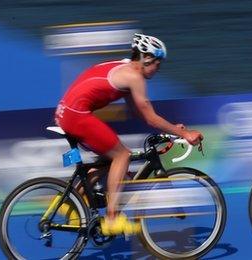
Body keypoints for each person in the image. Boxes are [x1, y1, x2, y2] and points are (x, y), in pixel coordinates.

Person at [54, 33, 203, 235]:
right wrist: (184, 133)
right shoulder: (134, 77)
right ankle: (112, 218)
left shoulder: (124, 68)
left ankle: (70, 201)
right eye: (157, 64)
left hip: (67, 112)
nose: (158, 69)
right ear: (146, 59)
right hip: (76, 115)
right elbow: (150, 117)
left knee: (109, 158)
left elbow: (139, 113)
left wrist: (175, 129)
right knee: (122, 155)